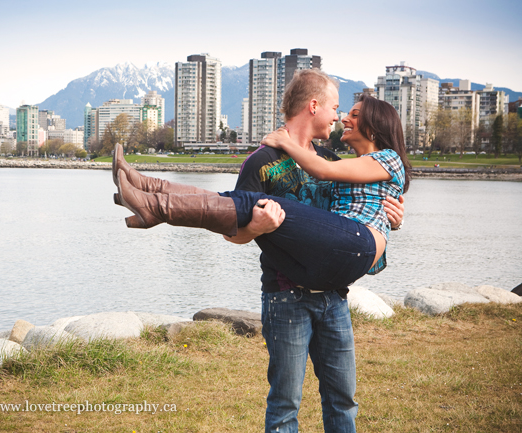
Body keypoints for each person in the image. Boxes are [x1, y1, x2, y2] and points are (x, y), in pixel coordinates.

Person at [112, 69, 406, 432]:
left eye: (348, 112)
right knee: (284, 405)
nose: (340, 115)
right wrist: (257, 227)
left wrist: (390, 216)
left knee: (342, 401)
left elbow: (355, 221)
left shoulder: (331, 161)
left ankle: (155, 198)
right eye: (335, 106)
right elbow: (233, 234)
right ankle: (152, 194)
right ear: (314, 106)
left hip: (333, 295)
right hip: (286, 296)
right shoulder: (260, 161)